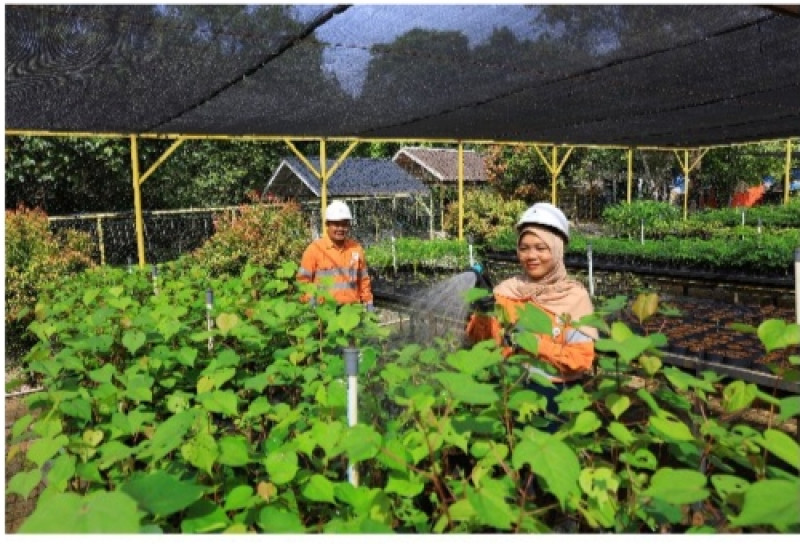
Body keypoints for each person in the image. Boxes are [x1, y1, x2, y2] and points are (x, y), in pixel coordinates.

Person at [466, 202, 596, 430]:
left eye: (540, 248)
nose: (531, 256)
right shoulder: (507, 291)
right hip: (509, 387)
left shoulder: (574, 298)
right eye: (524, 248)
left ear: (556, 249)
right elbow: (482, 342)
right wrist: (483, 312)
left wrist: (535, 344)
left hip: (556, 396)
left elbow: (581, 360)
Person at [297, 200, 374, 310]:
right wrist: (312, 306)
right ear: (327, 225)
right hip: (325, 312)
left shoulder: (356, 249)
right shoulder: (314, 250)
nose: (340, 229)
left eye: (344, 225)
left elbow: (364, 282)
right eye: (336, 224)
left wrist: (368, 305)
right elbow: (303, 283)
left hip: (352, 311)